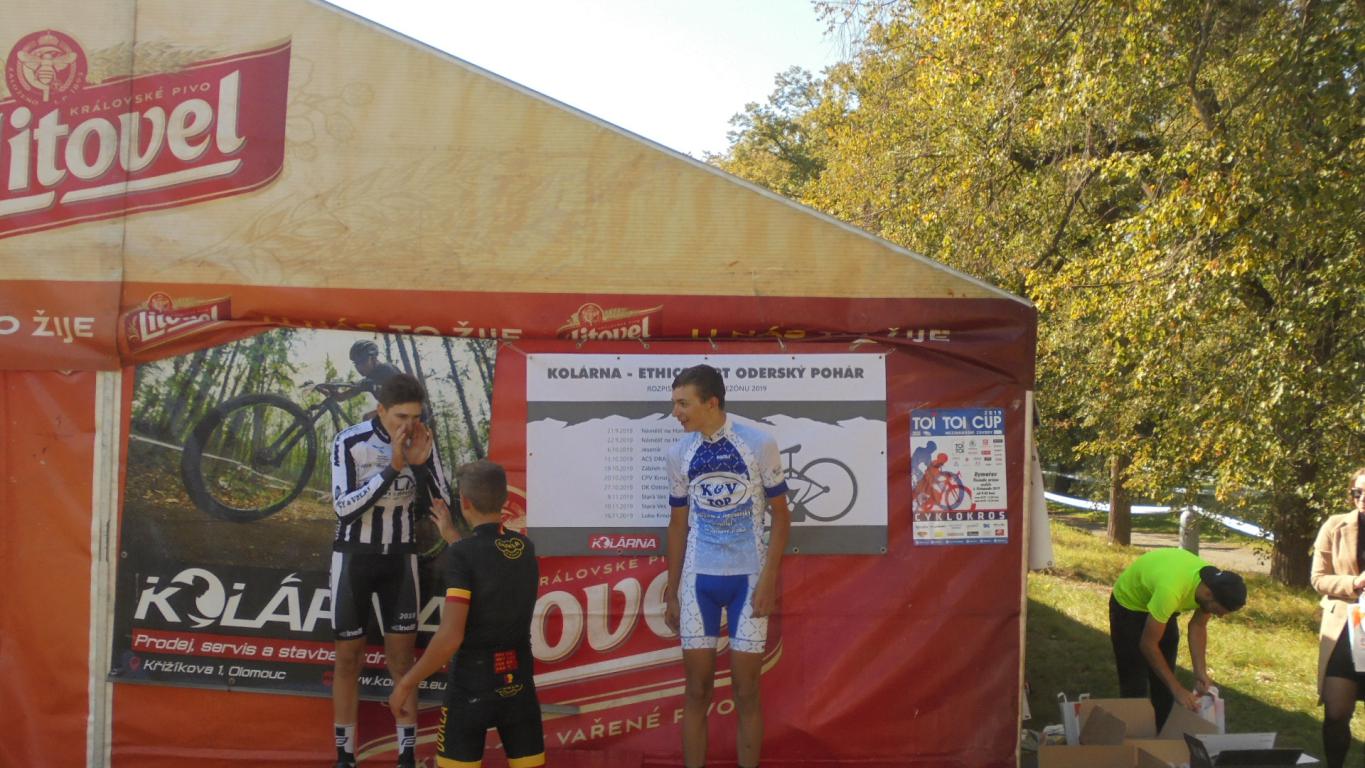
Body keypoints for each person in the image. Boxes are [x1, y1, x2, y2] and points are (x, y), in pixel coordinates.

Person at [662, 364, 791, 768]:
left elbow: (782, 516)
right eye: (675, 404)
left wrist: (768, 579)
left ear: (711, 402)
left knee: (746, 692)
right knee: (696, 691)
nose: (676, 412)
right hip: (698, 580)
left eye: (683, 404)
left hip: (748, 580)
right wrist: (672, 590)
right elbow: (678, 524)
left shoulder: (758, 443)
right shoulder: (679, 453)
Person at [329, 373, 450, 768]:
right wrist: (393, 468)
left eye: (415, 416)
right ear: (381, 410)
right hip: (354, 558)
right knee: (348, 660)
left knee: (401, 662)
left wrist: (418, 467)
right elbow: (343, 508)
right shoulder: (350, 441)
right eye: (401, 417)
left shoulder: (423, 440)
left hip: (400, 558)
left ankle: (406, 756)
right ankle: (345, 756)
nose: (409, 425)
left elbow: (442, 506)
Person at [389, 460, 545, 768]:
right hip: (519, 687)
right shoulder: (525, 548)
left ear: (465, 502)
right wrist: (452, 536)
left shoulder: (464, 555)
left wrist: (406, 684)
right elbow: (489, 562)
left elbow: (450, 638)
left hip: (471, 688)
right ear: (504, 499)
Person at [1109, 547, 1246, 729]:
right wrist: (1178, 689)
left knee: (1164, 681)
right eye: (1219, 611)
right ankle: (1134, 736)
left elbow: (1198, 626)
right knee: (1134, 680)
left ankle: (1162, 737)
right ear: (1208, 594)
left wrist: (1200, 671)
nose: (1220, 616)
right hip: (1129, 605)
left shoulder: (1211, 585)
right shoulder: (1171, 590)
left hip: (1161, 604)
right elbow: (1148, 645)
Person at [1311, 467, 1365, 768]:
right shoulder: (1335, 525)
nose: (1362, 498)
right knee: (1336, 712)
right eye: (1358, 492)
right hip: (1345, 627)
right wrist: (1354, 583)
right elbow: (1318, 578)